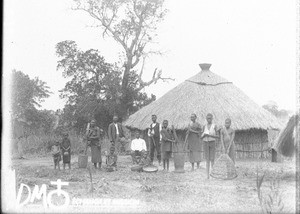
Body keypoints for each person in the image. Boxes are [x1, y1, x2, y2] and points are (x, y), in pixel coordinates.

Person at [201, 113, 219, 179]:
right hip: (205, 143)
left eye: (210, 118)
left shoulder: (214, 126)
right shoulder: (204, 126)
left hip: (212, 142)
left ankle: (213, 175)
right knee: (207, 160)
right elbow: (201, 137)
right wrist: (204, 135)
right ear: (206, 119)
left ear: (212, 119)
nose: (209, 119)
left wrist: (210, 135)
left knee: (212, 159)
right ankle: (207, 175)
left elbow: (218, 136)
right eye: (207, 118)